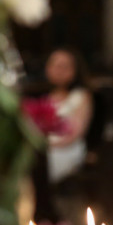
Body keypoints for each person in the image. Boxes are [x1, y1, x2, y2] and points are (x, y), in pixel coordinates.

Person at [44, 47, 94, 184]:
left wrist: (47, 145)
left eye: (64, 66)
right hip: (46, 148)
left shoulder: (80, 96)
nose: (59, 70)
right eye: (55, 65)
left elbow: (74, 133)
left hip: (67, 149)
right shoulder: (47, 98)